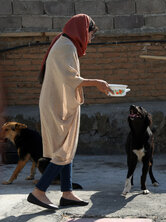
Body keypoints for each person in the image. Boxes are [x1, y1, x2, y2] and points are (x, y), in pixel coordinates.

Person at [27, 14, 113, 210]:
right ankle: (39, 191)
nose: (90, 40)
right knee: (63, 151)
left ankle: (67, 193)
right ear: (83, 31)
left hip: (60, 103)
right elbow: (71, 79)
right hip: (58, 105)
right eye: (91, 35)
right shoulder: (65, 46)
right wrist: (97, 83)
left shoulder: (65, 43)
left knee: (68, 147)